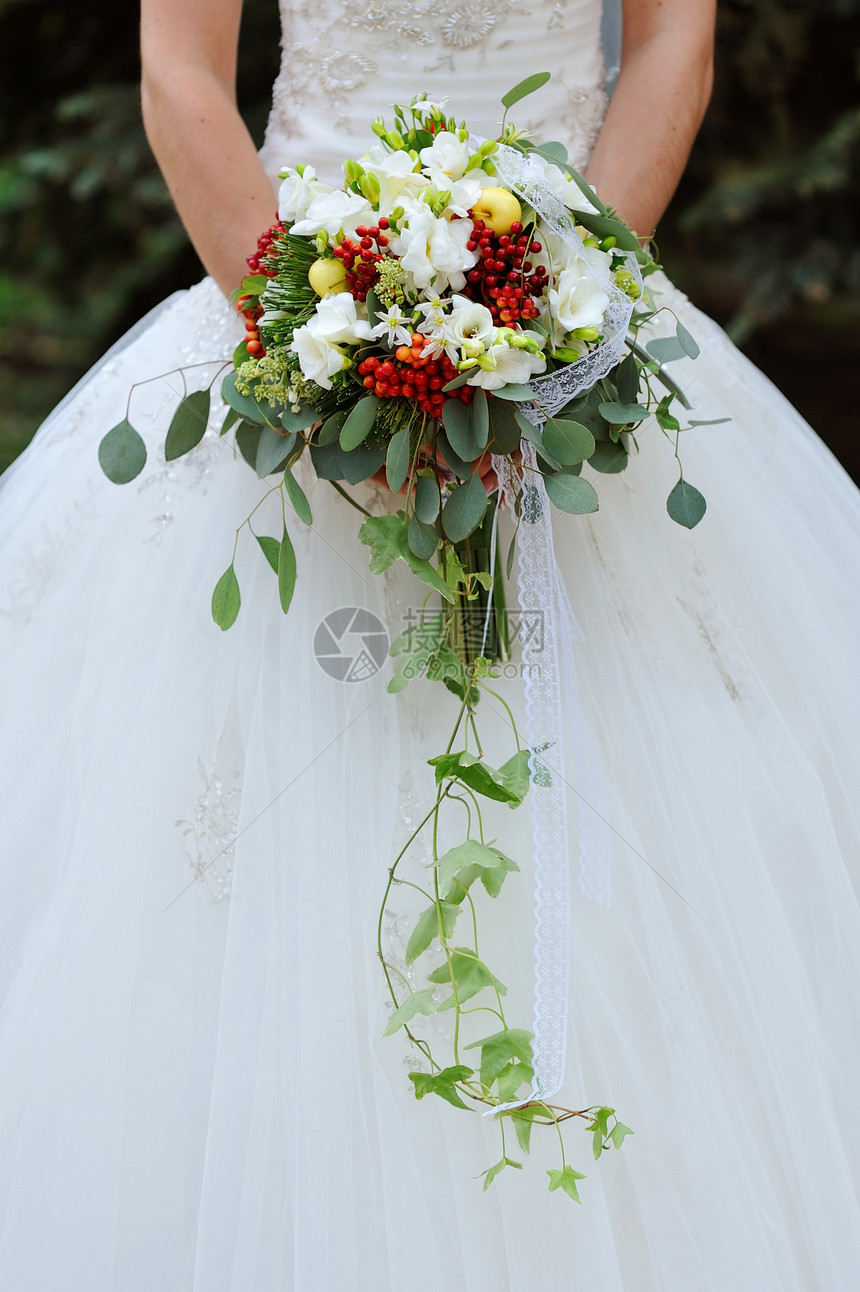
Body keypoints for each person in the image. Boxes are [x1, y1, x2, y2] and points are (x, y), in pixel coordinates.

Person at [1, 0, 858, 1287]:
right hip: (293, 316)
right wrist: (319, 356)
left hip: (574, 327)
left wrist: (558, 335)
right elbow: (178, 72)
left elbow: (673, 42)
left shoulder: (571, 328)